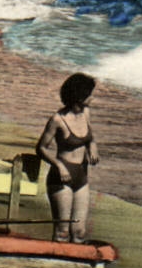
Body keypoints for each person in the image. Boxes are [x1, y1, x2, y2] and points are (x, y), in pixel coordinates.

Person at [36, 73, 99, 244]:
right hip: (61, 177)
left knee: (79, 231)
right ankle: (55, 266)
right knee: (62, 232)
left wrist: (93, 147)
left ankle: (76, 267)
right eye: (89, 94)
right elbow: (40, 148)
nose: (92, 97)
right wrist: (59, 165)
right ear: (79, 96)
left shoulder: (86, 113)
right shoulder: (57, 120)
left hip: (81, 176)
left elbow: (90, 137)